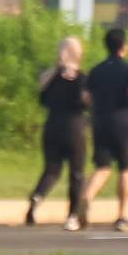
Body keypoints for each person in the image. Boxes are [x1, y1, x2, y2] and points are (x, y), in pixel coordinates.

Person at [79, 24, 128, 231]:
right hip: (123, 122)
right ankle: (122, 217)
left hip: (100, 123)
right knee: (125, 169)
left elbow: (86, 97)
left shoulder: (96, 70)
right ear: (124, 46)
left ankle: (86, 197)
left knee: (103, 167)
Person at [24, 35, 91, 231]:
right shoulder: (83, 78)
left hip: (52, 127)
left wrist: (57, 69)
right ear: (79, 54)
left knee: (52, 169)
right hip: (75, 129)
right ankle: (72, 216)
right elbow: (88, 102)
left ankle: (37, 197)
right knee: (76, 173)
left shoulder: (49, 77)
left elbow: (42, 97)